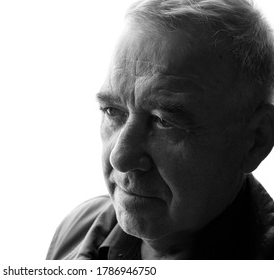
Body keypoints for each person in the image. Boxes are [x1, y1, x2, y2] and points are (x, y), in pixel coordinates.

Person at [47, 0, 274, 260]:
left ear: (256, 139)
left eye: (163, 121)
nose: (120, 158)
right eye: (113, 111)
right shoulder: (77, 229)